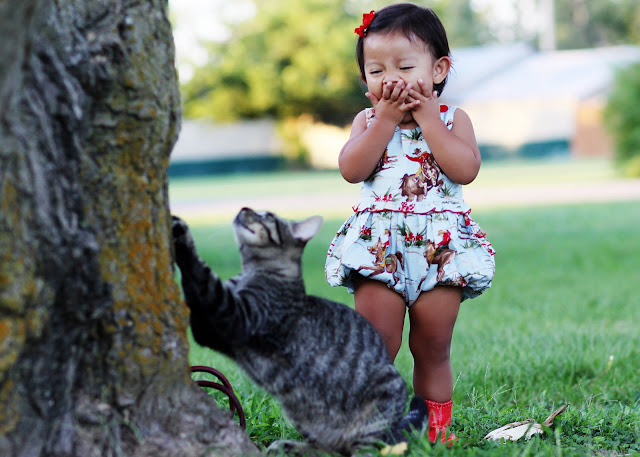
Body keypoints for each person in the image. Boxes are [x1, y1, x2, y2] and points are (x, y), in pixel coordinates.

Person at [325, 3, 496, 445]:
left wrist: (428, 119)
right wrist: (384, 121)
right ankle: (367, 426)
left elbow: (464, 169)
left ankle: (434, 429)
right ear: (365, 80)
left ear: (438, 70)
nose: (392, 80)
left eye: (404, 67)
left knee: (432, 346)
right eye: (377, 70)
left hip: (440, 252)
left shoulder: (453, 119)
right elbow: (352, 169)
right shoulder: (367, 121)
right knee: (377, 343)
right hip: (379, 249)